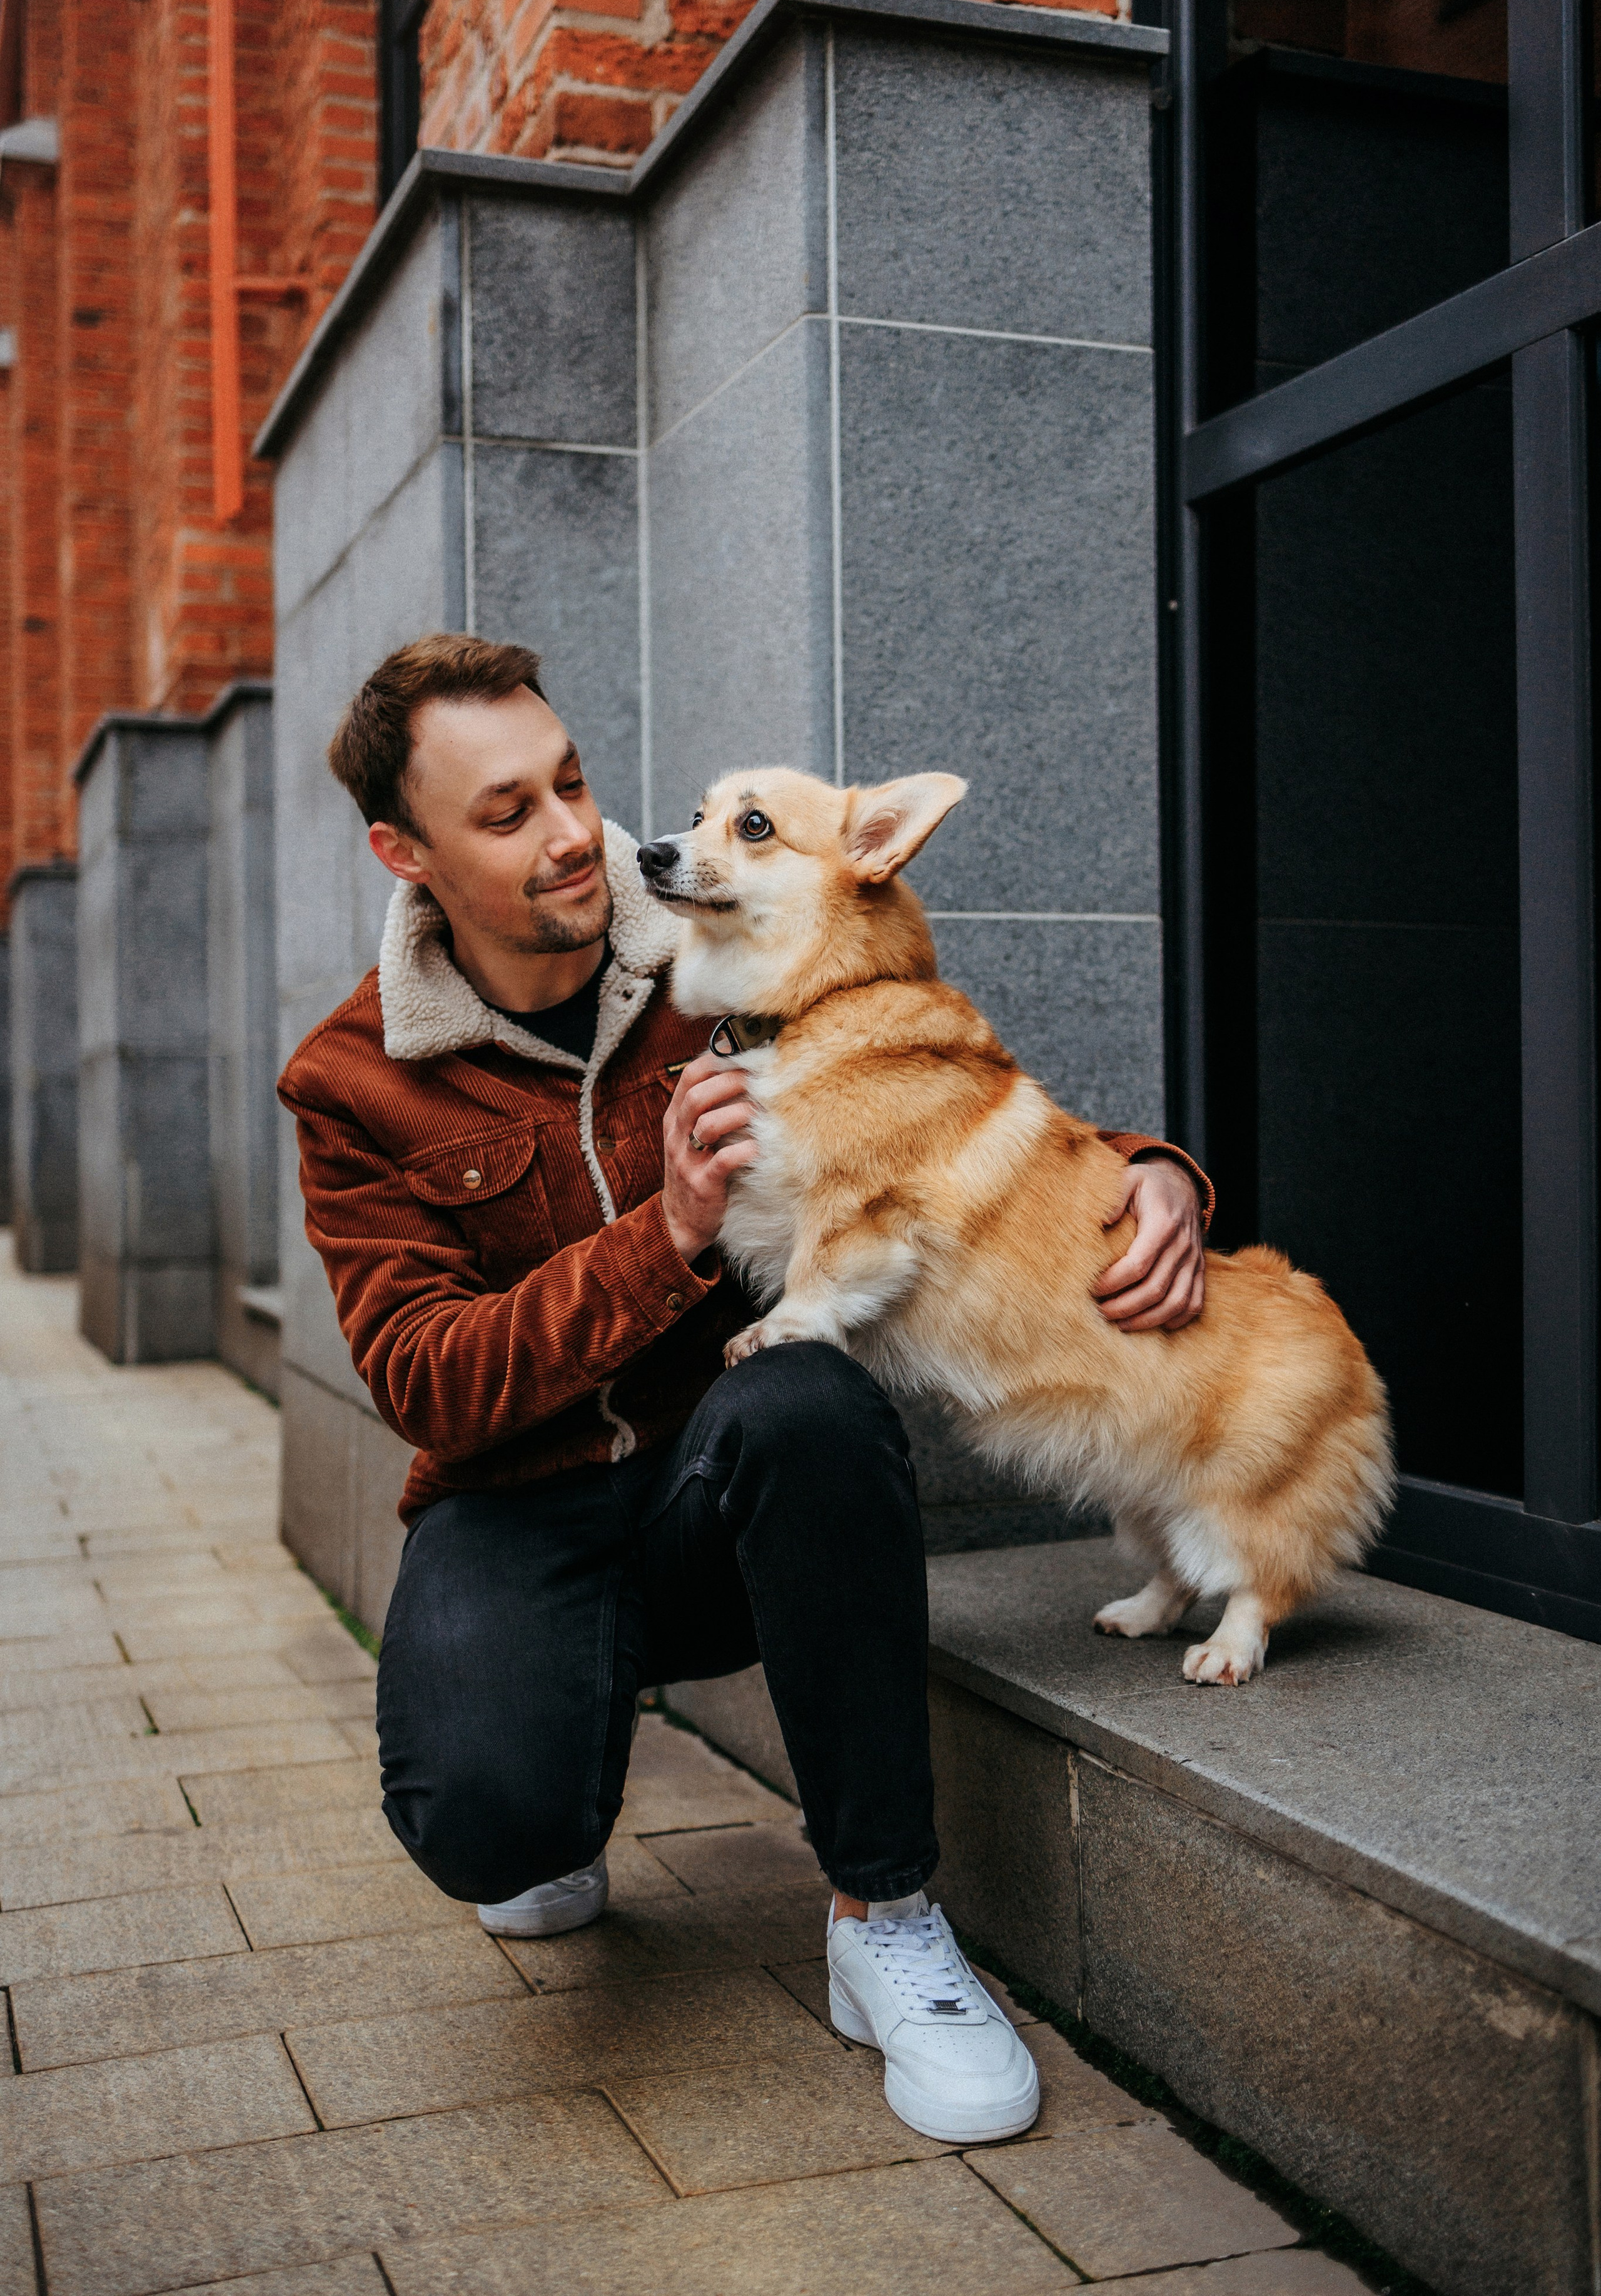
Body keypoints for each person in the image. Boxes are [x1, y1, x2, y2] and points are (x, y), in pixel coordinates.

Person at [278, 632, 1213, 2145]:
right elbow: (427, 1382)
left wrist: (1149, 1171)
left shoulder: (716, 926)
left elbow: (924, 1092)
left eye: (570, 779)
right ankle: (556, 1756)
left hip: (723, 1482)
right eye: (506, 812)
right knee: (489, 1824)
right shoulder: (352, 1077)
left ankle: (883, 1918)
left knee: (809, 1400)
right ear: (408, 854)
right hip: (516, 1505)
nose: (572, 831)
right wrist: (661, 1236)